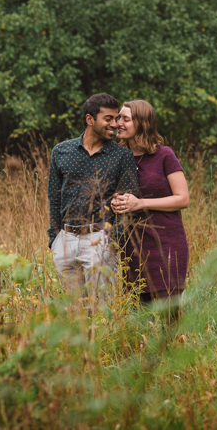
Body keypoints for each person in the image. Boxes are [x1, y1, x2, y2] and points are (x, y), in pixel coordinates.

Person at [47, 93, 138, 312]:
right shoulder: (62, 151)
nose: (115, 125)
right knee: (74, 310)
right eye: (108, 119)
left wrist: (114, 243)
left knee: (101, 310)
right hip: (65, 241)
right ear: (90, 120)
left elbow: (128, 204)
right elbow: (54, 197)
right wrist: (54, 239)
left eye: (117, 119)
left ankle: (104, 347)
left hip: (100, 241)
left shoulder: (121, 156)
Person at [112, 99, 190, 305]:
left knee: (168, 319)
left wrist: (141, 203)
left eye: (125, 119)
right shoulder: (117, 158)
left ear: (142, 123)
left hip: (166, 247)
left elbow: (183, 198)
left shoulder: (164, 155)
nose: (118, 122)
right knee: (137, 321)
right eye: (118, 117)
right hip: (132, 250)